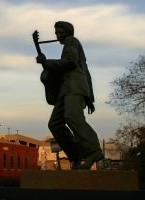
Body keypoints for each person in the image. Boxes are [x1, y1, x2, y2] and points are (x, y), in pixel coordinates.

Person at [36, 21, 104, 169]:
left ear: (68, 33)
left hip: (74, 88)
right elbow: (85, 70)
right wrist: (90, 98)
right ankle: (76, 154)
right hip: (65, 91)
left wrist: (46, 62)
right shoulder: (69, 44)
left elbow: (70, 62)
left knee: (72, 117)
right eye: (56, 33)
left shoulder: (71, 41)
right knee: (55, 123)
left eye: (60, 32)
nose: (58, 36)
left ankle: (93, 151)